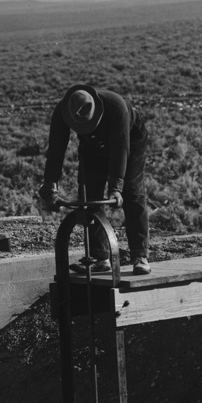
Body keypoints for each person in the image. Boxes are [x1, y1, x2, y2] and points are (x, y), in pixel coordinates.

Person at [38, 84, 151, 275]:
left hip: (130, 140)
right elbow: (56, 148)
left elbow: (120, 149)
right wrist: (50, 186)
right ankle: (100, 258)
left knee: (132, 192)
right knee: (89, 195)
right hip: (92, 143)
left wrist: (116, 187)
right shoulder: (63, 111)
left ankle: (140, 256)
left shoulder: (116, 106)